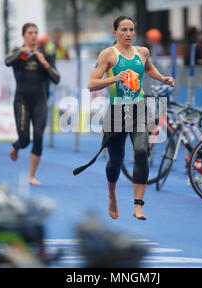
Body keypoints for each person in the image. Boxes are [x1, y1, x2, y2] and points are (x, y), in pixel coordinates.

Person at [73, 16, 174, 221]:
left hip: (138, 108)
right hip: (117, 111)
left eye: (131, 30)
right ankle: (112, 196)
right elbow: (91, 84)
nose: (128, 34)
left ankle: (138, 205)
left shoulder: (142, 52)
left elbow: (148, 68)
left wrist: (162, 77)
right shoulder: (108, 54)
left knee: (140, 152)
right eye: (124, 30)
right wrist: (113, 78)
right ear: (115, 33)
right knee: (116, 160)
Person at [5, 23, 60, 185]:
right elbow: (7, 62)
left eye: (36, 32)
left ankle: (31, 175)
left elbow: (56, 78)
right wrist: (22, 52)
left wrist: (44, 63)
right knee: (24, 140)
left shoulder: (45, 55)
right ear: (24, 35)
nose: (33, 35)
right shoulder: (17, 52)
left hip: (40, 100)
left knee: (38, 135)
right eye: (30, 33)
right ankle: (16, 146)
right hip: (22, 100)